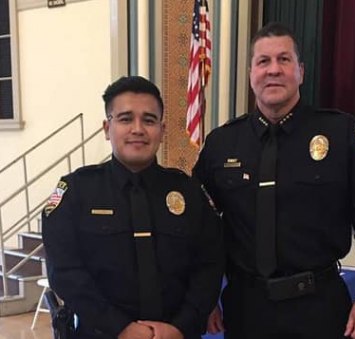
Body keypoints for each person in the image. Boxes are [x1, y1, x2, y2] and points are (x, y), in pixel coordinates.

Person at [193, 22, 355, 339]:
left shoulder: (342, 134)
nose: (273, 70)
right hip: (247, 307)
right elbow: (201, 227)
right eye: (263, 61)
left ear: (300, 71)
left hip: (319, 306)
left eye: (284, 60)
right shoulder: (221, 144)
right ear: (250, 74)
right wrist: (204, 298)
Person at [42, 76, 224, 339]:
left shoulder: (188, 192)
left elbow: (209, 265)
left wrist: (181, 327)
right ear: (107, 128)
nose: (138, 129)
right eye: (126, 119)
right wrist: (121, 329)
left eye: (149, 120)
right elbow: (66, 272)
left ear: (161, 130)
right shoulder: (76, 193)